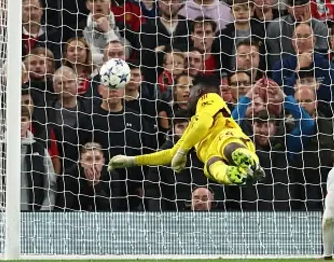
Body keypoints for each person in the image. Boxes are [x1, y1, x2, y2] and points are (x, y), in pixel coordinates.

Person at [108, 76, 265, 186]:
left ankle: (252, 163)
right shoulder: (192, 127)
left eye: (190, 93)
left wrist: (182, 152)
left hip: (227, 136)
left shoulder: (209, 98)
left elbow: (203, 124)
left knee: (230, 147)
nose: (187, 98)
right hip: (211, 153)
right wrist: (132, 160)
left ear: (198, 92)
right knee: (212, 166)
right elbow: (170, 154)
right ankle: (234, 174)